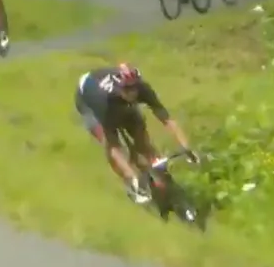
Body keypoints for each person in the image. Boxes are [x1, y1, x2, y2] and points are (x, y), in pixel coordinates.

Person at [75, 62, 197, 205]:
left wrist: (186, 147)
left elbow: (167, 120)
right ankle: (130, 184)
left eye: (134, 88)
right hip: (88, 100)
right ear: (120, 88)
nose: (132, 93)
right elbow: (114, 147)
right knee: (108, 141)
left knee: (140, 133)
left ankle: (156, 175)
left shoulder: (143, 89)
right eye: (127, 89)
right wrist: (132, 176)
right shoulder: (104, 101)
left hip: (115, 100)